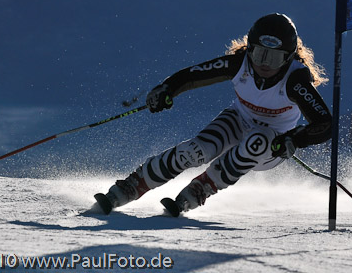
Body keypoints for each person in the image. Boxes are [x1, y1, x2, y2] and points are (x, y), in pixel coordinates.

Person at [93, 13, 332, 216]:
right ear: (249, 49)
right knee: (194, 151)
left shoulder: (295, 80)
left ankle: (203, 187)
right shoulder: (239, 64)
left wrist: (294, 139)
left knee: (257, 141)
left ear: (289, 57)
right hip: (237, 121)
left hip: (273, 144)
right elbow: (192, 75)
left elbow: (325, 124)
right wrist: (166, 90)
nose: (265, 64)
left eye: (275, 57)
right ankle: (133, 185)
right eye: (259, 54)